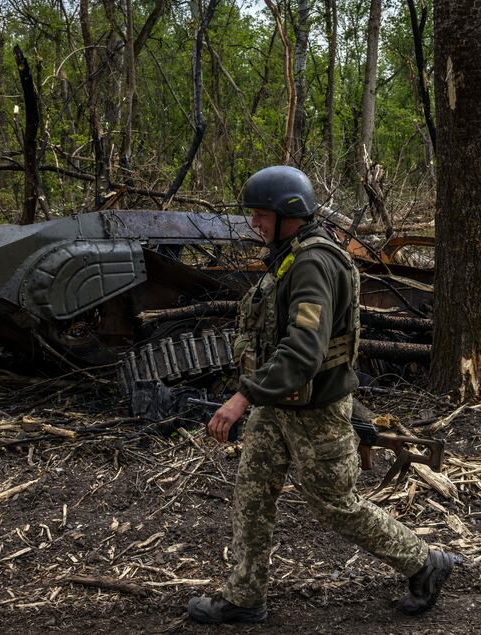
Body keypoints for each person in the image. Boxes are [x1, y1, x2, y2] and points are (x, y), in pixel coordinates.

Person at [187, 165, 458, 624]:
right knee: (253, 492)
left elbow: (304, 351)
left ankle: (425, 563)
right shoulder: (291, 254)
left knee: (336, 505)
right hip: (278, 406)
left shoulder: (313, 262)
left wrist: (242, 397)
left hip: (316, 412)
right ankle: (245, 594)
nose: (255, 222)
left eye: (260, 214)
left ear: (286, 213)